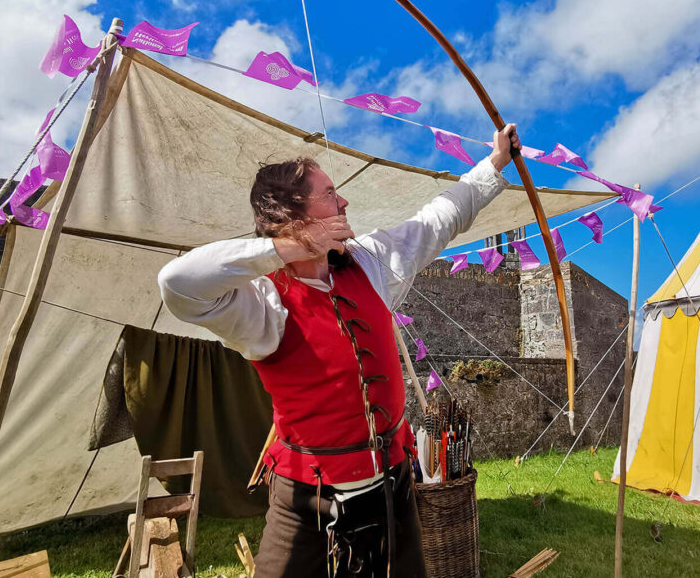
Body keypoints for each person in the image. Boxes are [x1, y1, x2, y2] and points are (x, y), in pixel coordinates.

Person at [158, 124, 522, 577]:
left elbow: (436, 221)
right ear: (293, 213)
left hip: (393, 482)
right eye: (330, 193)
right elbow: (177, 284)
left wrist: (495, 163)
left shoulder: (367, 261)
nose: (344, 202)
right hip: (304, 495)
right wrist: (288, 248)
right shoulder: (260, 302)